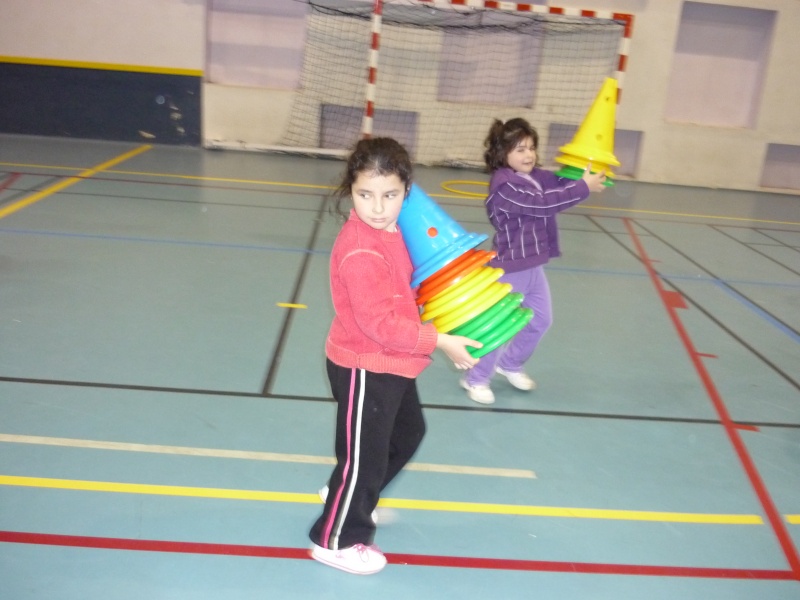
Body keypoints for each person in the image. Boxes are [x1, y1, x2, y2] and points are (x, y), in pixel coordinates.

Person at [308, 137, 482, 575]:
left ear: (408, 190)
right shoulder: (361, 250)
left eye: (389, 195)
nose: (378, 207)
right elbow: (379, 326)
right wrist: (441, 339)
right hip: (365, 364)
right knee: (364, 458)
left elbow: (418, 280)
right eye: (365, 195)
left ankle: (349, 497)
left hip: (393, 363)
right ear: (351, 190)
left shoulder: (397, 230)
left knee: (408, 433)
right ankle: (335, 539)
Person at [460, 118, 606, 405]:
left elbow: (558, 183)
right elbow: (543, 203)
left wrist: (582, 177)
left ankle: (510, 364)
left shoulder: (532, 176)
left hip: (533, 266)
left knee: (540, 320)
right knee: (500, 327)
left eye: (531, 148)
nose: (528, 155)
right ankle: (475, 378)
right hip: (510, 268)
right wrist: (581, 189)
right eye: (520, 150)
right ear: (503, 155)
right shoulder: (505, 188)